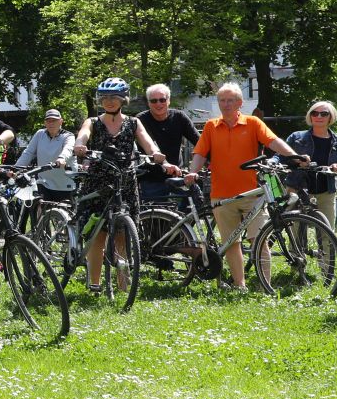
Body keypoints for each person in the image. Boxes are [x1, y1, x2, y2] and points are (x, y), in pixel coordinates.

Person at [192, 82, 307, 291]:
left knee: (259, 239)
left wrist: (293, 156)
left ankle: (265, 286)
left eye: (230, 100)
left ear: (240, 103)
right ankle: (240, 285)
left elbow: (273, 141)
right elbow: (200, 153)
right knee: (231, 242)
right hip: (222, 194)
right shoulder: (211, 126)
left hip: (253, 193)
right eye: (222, 101)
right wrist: (192, 171)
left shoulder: (253, 123)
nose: (226, 105)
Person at [73, 78, 167, 292]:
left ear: (123, 99)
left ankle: (124, 287)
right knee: (98, 236)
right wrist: (80, 145)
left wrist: (155, 153)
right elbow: (84, 135)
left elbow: (146, 141)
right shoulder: (94, 122)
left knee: (123, 236)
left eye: (113, 98)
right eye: (104, 98)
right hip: (98, 184)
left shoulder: (133, 122)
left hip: (124, 183)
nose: (109, 102)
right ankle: (94, 284)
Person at [285, 100, 337, 226]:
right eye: (315, 113)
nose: (318, 116)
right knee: (297, 235)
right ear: (310, 116)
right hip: (298, 189)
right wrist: (298, 161)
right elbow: (282, 158)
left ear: (331, 117)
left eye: (324, 114)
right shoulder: (296, 137)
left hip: (326, 192)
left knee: (327, 235)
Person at [135, 84, 201, 203]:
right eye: (154, 101)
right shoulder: (141, 120)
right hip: (151, 178)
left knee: (191, 208)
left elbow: (199, 141)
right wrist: (165, 164)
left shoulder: (179, 117)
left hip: (176, 175)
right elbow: (152, 146)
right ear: (148, 103)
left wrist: (214, 160)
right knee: (155, 218)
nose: (158, 104)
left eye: (162, 100)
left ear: (169, 100)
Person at [16, 108, 77, 201]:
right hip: (44, 182)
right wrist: (17, 169)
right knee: (41, 211)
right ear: (45, 123)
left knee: (64, 213)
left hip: (64, 183)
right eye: (48, 121)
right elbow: (28, 153)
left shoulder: (68, 136)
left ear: (61, 122)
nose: (51, 123)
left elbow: (68, 149)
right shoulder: (40, 134)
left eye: (54, 120)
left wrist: (61, 158)